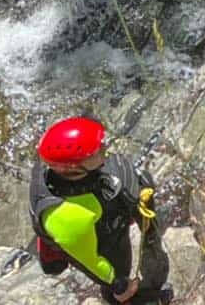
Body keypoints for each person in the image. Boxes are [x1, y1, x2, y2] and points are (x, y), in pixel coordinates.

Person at [28, 116, 171, 303]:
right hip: (92, 235)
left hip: (95, 208)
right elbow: (91, 262)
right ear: (73, 168)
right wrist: (118, 284)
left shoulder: (58, 166)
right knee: (119, 266)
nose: (104, 149)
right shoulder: (68, 218)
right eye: (97, 150)